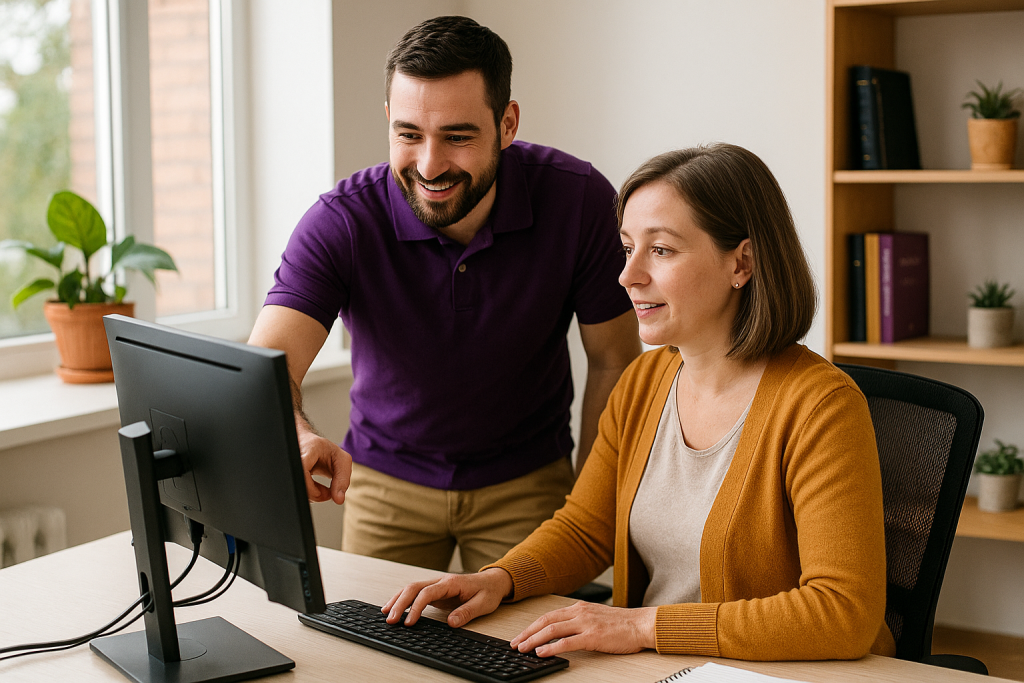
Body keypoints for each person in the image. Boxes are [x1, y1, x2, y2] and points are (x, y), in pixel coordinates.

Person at [384, 143, 897, 661]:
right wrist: (500, 579)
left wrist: (644, 626)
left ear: (741, 262)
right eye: (628, 248)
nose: (629, 276)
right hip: (658, 668)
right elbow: (586, 529)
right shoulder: (643, 383)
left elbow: (843, 611)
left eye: (662, 250)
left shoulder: (821, 407)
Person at [247, 15, 640, 573]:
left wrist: (591, 496)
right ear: (388, 119)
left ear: (507, 124)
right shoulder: (342, 222)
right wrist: (297, 434)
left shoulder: (579, 201)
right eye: (408, 135)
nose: (429, 165)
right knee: (370, 652)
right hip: (383, 484)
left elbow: (614, 359)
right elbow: (266, 367)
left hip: (527, 482)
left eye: (457, 136)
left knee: (529, 653)